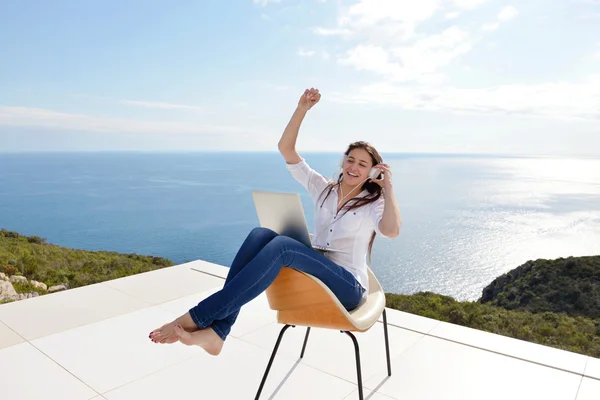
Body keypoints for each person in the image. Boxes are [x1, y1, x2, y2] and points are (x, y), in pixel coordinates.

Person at [149, 87, 402, 356]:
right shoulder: (325, 188)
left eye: (363, 164)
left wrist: (388, 189)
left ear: (373, 171)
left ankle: (197, 317)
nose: (353, 167)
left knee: (282, 246)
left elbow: (392, 231)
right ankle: (218, 332)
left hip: (348, 287)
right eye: (350, 160)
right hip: (318, 272)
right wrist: (301, 109)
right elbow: (286, 149)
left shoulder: (374, 202)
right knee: (260, 234)